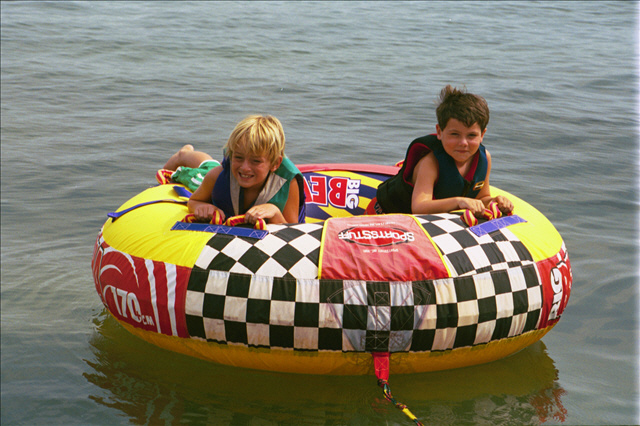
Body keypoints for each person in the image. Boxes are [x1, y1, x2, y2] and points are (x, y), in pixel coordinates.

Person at [366, 85, 513, 217]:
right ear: (439, 132)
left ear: (482, 135)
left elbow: (481, 198)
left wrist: (494, 201)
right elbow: (419, 207)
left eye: (471, 135)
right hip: (384, 213)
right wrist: (458, 202)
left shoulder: (484, 158)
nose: (463, 143)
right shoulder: (431, 163)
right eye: (454, 134)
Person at [160, 115, 305, 225]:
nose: (245, 167)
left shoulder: (287, 183)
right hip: (219, 174)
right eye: (238, 157)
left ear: (275, 164)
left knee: (212, 166)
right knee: (203, 171)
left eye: (256, 161)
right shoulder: (217, 176)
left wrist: (275, 213)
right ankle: (183, 154)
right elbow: (193, 201)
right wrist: (202, 206)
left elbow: (293, 231)